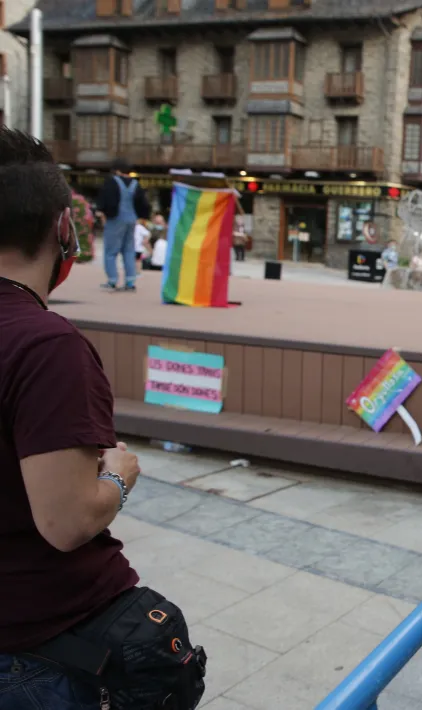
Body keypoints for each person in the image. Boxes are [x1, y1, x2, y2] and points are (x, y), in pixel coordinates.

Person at [0, 129, 206, 708]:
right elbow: (65, 524)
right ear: (65, 228)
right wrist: (117, 474)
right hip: (40, 653)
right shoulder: (44, 346)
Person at [96, 157, 150, 291]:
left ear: (117, 170)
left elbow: (106, 200)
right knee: (129, 251)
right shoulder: (136, 184)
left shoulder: (112, 182)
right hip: (132, 220)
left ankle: (112, 280)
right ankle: (130, 281)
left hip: (116, 219)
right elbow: (143, 203)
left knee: (111, 251)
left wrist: (102, 211)